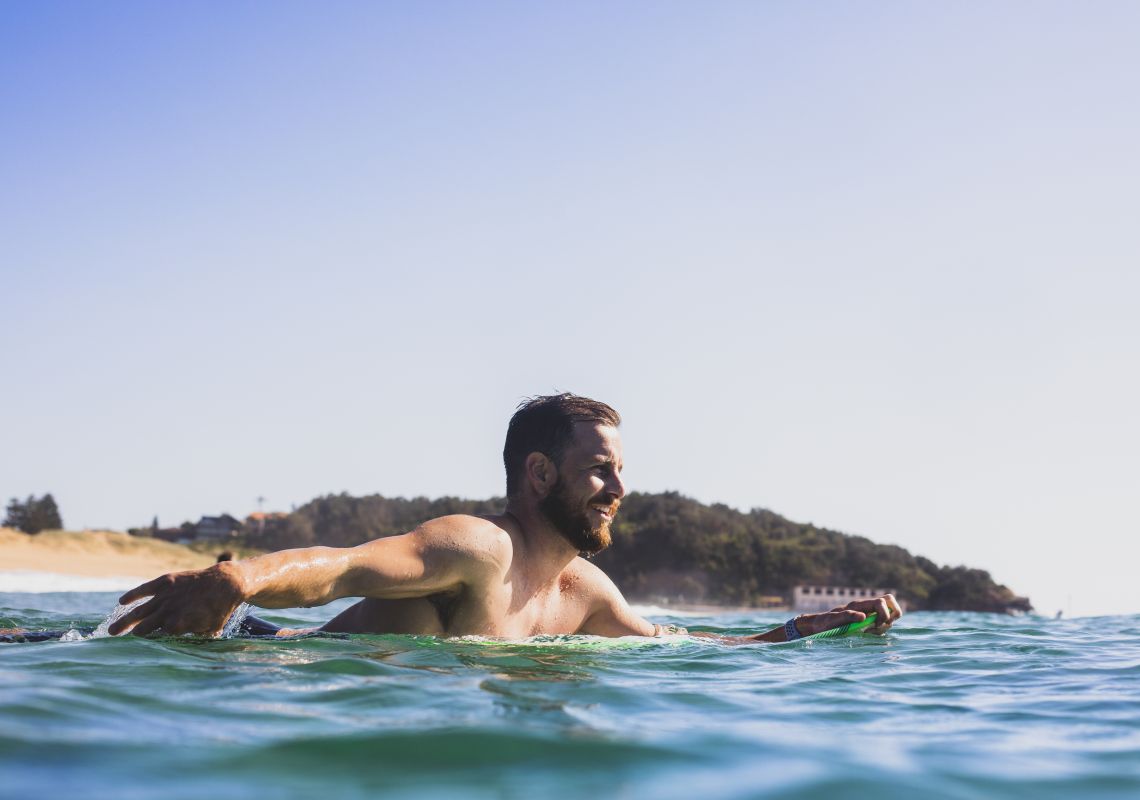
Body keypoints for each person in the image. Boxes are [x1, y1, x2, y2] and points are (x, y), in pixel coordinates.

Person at [108, 394, 902, 642]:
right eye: (600, 470)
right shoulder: (479, 548)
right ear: (540, 473)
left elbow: (695, 652)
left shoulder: (584, 591)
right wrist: (238, 578)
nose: (618, 488)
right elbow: (344, 565)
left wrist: (822, 628)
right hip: (260, 652)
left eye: (621, 471)